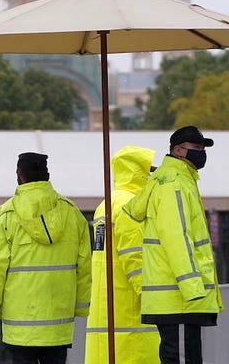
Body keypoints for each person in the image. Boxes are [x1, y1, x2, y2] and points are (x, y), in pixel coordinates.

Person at [0, 152, 92, 364]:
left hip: (19, 326)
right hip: (59, 324)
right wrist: (81, 307)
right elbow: (84, 266)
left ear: (19, 176)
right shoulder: (72, 214)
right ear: (47, 175)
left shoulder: (6, 215)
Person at [123, 126, 223, 364]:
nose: (201, 154)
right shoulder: (174, 184)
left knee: (177, 356)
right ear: (178, 151)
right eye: (196, 148)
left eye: (202, 148)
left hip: (174, 296)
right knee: (181, 357)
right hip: (179, 297)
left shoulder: (175, 180)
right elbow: (176, 239)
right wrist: (192, 288)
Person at [84, 146, 160, 364]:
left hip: (105, 313)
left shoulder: (106, 204)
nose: (151, 177)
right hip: (130, 315)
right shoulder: (131, 205)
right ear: (138, 172)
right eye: (149, 171)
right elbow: (135, 255)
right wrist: (151, 298)